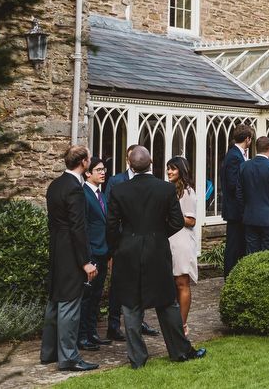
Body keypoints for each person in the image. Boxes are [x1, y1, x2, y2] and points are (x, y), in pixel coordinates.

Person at [106, 146, 206, 369]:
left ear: (130, 165)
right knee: (166, 302)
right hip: (157, 250)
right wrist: (159, 236)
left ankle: (137, 359)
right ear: (151, 164)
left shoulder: (119, 190)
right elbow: (176, 222)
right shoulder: (165, 189)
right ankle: (180, 351)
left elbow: (111, 226)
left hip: (128, 251)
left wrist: (117, 248)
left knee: (131, 306)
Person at [40, 146, 99, 372]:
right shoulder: (75, 189)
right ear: (83, 162)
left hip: (57, 249)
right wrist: (85, 261)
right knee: (69, 305)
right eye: (89, 159)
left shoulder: (55, 185)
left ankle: (49, 352)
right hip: (71, 252)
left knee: (55, 301)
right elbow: (78, 227)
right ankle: (69, 358)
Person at [103, 144, 159, 340]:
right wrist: (114, 246)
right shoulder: (116, 181)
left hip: (144, 245)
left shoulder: (152, 183)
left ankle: (139, 322)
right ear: (128, 160)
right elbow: (110, 215)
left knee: (141, 284)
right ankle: (113, 325)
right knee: (118, 286)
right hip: (122, 244)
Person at [78, 157, 112, 351]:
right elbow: (83, 228)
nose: (103, 172)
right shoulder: (84, 195)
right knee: (86, 297)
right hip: (91, 254)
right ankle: (82, 337)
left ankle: (92, 333)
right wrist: (87, 257)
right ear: (88, 173)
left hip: (103, 252)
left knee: (97, 296)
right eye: (98, 170)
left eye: (104, 169)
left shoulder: (102, 194)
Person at [166, 156, 198, 336]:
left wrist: (172, 215)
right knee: (172, 282)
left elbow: (191, 221)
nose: (169, 172)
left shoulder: (187, 192)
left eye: (173, 169)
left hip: (182, 241)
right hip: (170, 240)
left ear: (181, 171)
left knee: (182, 282)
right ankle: (175, 323)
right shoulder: (170, 190)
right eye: (168, 168)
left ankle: (182, 325)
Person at [237, 136, 269, 253]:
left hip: (250, 216)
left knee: (251, 254)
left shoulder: (244, 166)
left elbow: (239, 193)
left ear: (256, 148)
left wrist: (245, 210)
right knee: (268, 254)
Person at [220, 124, 253, 278]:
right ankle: (230, 277)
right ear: (247, 139)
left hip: (238, 209)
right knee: (233, 246)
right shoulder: (234, 156)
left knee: (239, 244)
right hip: (235, 209)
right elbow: (233, 183)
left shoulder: (237, 154)